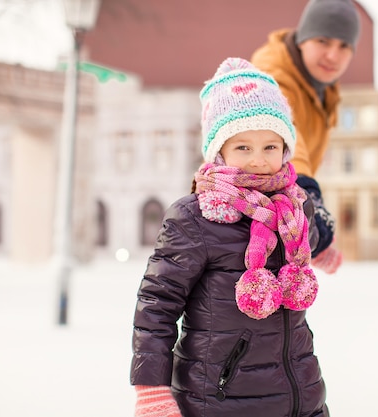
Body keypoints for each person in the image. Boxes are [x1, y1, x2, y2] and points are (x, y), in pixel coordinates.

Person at [131, 57, 330, 417]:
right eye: (243, 147)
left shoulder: (297, 209)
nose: (258, 160)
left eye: (270, 146)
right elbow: (157, 307)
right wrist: (151, 390)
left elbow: (315, 243)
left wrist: (324, 233)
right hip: (220, 401)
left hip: (302, 395)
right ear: (219, 151)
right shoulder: (195, 217)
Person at [251, 0, 361, 274]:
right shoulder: (274, 73)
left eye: (344, 46)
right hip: (253, 200)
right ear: (303, 38)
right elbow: (287, 133)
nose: (333, 56)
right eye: (323, 41)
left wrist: (310, 235)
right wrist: (306, 194)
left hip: (279, 199)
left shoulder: (323, 86)